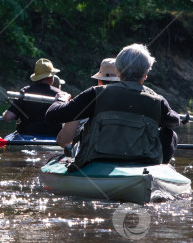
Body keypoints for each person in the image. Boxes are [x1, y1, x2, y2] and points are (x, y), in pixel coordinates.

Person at [46, 44, 181, 169]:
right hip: (142, 162)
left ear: (118, 70)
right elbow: (175, 121)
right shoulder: (157, 101)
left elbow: (52, 116)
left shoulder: (95, 94)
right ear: (146, 74)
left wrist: (60, 101)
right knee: (170, 133)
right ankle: (161, 169)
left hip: (96, 159)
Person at [56, 58, 120, 148]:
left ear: (99, 81)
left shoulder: (84, 105)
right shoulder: (134, 104)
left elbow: (63, 140)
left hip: (93, 158)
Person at [2, 58, 68, 137]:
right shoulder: (61, 95)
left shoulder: (25, 91)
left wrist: (4, 114)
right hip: (52, 138)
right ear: (51, 77)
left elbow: (8, 117)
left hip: (26, 136)